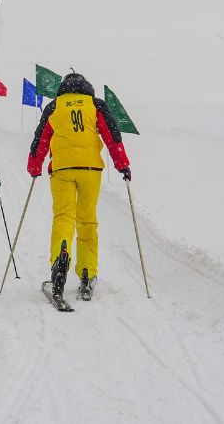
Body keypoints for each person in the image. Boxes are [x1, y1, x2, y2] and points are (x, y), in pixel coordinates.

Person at [26, 72, 130, 302]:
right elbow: (112, 135)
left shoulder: (54, 107)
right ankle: (86, 272)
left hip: (62, 169)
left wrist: (34, 165)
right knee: (87, 220)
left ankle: (59, 260)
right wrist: (122, 164)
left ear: (63, 88)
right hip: (90, 170)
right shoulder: (95, 105)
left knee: (63, 216)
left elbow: (41, 138)